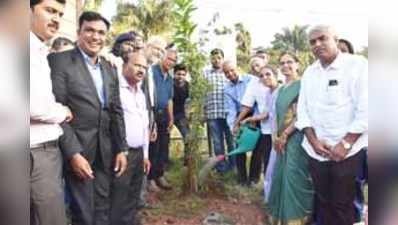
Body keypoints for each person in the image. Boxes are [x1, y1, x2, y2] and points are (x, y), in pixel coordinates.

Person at [48, 11, 128, 225]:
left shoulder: (109, 68)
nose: (95, 37)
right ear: (78, 33)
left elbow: (116, 110)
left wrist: (121, 148)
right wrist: (73, 153)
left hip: (106, 151)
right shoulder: (59, 61)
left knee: (103, 208)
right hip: (79, 151)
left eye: (101, 32)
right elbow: (57, 109)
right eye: (90, 30)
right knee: (82, 214)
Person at [296, 25, 368, 225]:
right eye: (312, 42)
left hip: (348, 152)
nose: (317, 44)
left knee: (343, 206)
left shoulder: (357, 65)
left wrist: (344, 144)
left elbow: (367, 109)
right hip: (316, 152)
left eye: (322, 38)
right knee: (323, 202)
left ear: (336, 40)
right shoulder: (310, 72)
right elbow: (303, 112)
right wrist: (313, 142)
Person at [30, 1, 72, 225]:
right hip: (37, 152)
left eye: (60, 14)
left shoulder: (39, 50)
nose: (56, 18)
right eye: (50, 10)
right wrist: (61, 112)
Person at [266, 52, 314, 225]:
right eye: (282, 62)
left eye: (289, 62)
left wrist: (285, 134)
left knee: (294, 174)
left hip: (296, 137)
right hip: (280, 139)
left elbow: (300, 114)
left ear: (297, 64)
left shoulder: (303, 85)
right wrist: (276, 137)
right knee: (280, 174)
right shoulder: (281, 89)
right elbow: (275, 116)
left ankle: (296, 218)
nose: (285, 65)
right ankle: (280, 216)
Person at [111, 52, 152, 225]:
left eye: (144, 67)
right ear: (125, 65)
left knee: (133, 197)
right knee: (118, 197)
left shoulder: (141, 94)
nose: (141, 70)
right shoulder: (115, 89)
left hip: (138, 153)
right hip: (122, 153)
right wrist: (120, 150)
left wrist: (145, 154)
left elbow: (144, 126)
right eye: (137, 65)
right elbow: (112, 123)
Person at [338, 38, 368, 223]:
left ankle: (356, 218)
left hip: (359, 144)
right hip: (333, 144)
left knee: (356, 184)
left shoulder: (362, 77)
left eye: (344, 50)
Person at [233, 65, 274, 185]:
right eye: (261, 75)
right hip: (265, 128)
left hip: (280, 129)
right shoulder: (255, 85)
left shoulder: (280, 86)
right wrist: (238, 122)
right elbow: (252, 107)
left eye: (267, 74)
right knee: (267, 159)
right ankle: (267, 189)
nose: (264, 77)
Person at [147, 48, 177, 191]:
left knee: (163, 147)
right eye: (169, 59)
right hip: (152, 114)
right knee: (153, 147)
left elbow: (170, 99)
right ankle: (150, 178)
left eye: (174, 60)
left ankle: (160, 175)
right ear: (162, 58)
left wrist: (171, 118)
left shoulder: (170, 78)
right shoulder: (151, 72)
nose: (171, 62)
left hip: (165, 115)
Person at [203, 48, 235, 173]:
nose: (216, 60)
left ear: (222, 59)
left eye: (219, 58)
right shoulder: (205, 73)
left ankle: (234, 166)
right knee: (217, 143)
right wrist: (202, 112)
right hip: (212, 113)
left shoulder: (228, 73)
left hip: (228, 113)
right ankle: (221, 167)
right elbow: (202, 94)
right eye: (213, 58)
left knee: (231, 140)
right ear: (210, 59)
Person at [223, 60, 252, 185]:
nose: (230, 74)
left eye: (232, 70)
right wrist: (233, 127)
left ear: (238, 68)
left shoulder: (250, 80)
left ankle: (254, 179)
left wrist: (253, 119)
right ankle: (242, 179)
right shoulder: (227, 88)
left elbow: (256, 101)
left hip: (253, 114)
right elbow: (230, 109)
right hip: (239, 116)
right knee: (240, 148)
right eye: (226, 73)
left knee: (257, 149)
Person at [173, 63, 190, 164]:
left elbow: (189, 102)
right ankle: (164, 163)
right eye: (178, 74)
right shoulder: (169, 84)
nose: (181, 77)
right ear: (174, 74)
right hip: (168, 114)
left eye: (183, 74)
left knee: (188, 136)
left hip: (181, 115)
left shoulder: (188, 86)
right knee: (163, 140)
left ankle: (187, 162)